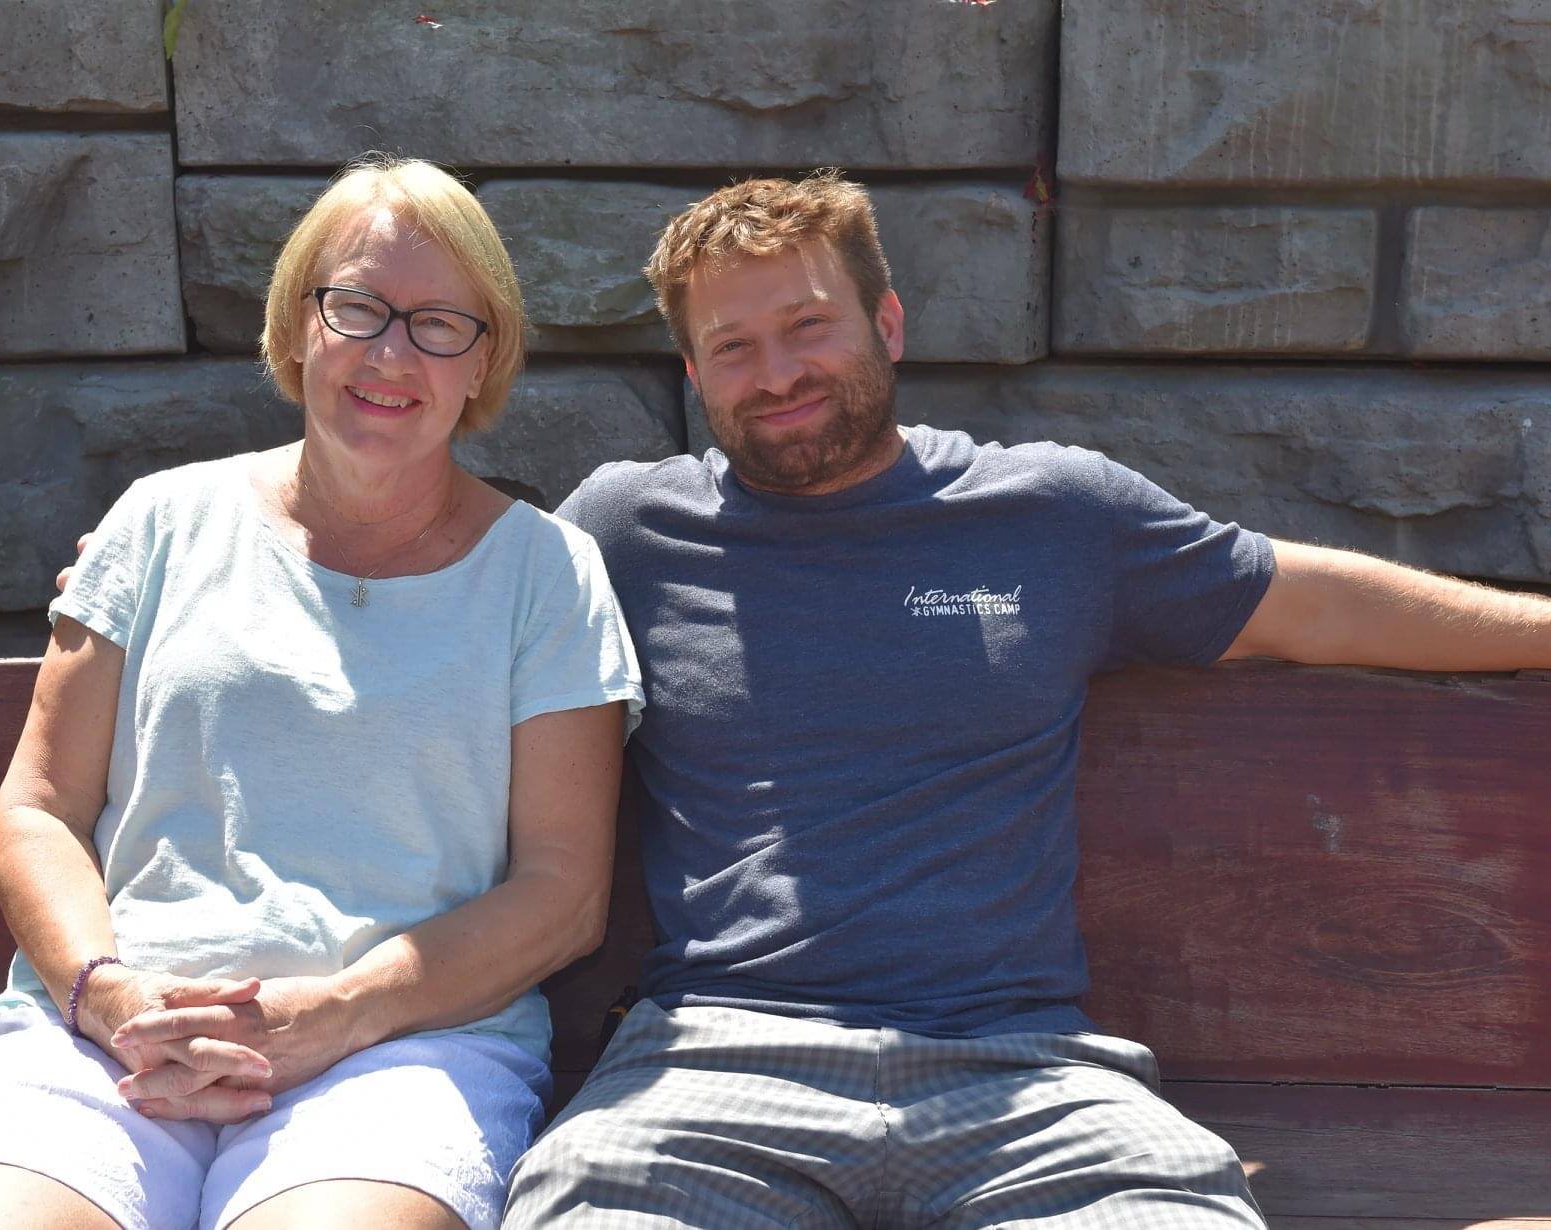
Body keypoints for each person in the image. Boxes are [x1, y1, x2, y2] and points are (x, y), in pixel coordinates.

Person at [497, 172, 1551, 1228]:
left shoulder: (1054, 513)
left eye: (808, 326)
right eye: (733, 347)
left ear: (887, 323)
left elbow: (1313, 607)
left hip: (1022, 1076)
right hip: (712, 1068)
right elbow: (464, 635)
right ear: (693, 372)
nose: (777, 374)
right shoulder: (625, 531)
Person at [0, 157, 643, 1230]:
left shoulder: (548, 574)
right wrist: (108, 995)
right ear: (298, 322)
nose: (391, 353)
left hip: (400, 1055)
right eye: (358, 307)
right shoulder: (158, 522)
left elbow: (564, 893)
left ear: (486, 359)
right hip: (109, 1043)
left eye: (441, 324)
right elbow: (40, 808)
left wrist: (338, 1012)